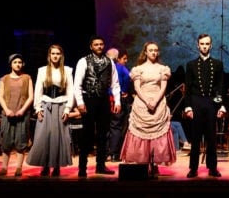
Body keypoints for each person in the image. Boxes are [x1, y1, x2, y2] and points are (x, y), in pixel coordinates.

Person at [120, 42, 177, 176]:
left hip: (158, 102)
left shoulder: (163, 69)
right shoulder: (138, 69)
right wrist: (146, 101)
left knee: (158, 134)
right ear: (145, 52)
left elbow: (163, 87)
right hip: (142, 103)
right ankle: (144, 164)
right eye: (151, 50)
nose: (153, 52)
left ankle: (155, 164)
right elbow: (137, 87)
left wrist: (155, 101)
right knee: (141, 133)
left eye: (156, 50)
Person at [72, 36, 120, 178]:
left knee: (103, 134)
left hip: (104, 99)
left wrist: (117, 101)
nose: (99, 46)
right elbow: (77, 84)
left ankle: (100, 165)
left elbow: (115, 83)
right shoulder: (83, 61)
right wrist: (80, 102)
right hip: (89, 99)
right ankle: (82, 167)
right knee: (86, 134)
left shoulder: (109, 61)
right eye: (96, 44)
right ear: (91, 46)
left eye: (101, 44)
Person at [179, 34, 226, 178]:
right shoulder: (191, 65)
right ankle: (193, 168)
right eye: (202, 43)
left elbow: (220, 87)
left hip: (212, 103)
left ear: (211, 45)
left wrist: (221, 105)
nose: (204, 46)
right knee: (196, 138)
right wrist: (188, 107)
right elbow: (188, 88)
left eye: (207, 44)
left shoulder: (217, 64)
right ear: (197, 45)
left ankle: (212, 168)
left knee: (211, 138)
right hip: (196, 102)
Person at [29, 45, 77, 177]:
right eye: (53, 53)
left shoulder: (67, 71)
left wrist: (67, 109)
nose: (55, 56)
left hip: (61, 106)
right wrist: (38, 108)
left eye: (58, 54)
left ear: (61, 55)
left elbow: (70, 91)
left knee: (58, 137)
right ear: (49, 55)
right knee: (44, 136)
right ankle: (44, 165)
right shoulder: (42, 70)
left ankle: (56, 166)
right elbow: (38, 89)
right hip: (46, 105)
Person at [0, 54, 34, 177]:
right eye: (15, 62)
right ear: (10, 64)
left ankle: (18, 168)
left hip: (22, 115)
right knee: (5, 142)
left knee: (21, 141)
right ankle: (4, 168)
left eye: (20, 62)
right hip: (7, 115)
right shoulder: (4, 79)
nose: (18, 64)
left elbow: (31, 96)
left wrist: (22, 110)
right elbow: (0, 96)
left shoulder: (27, 78)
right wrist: (6, 110)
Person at [106, 48, 132, 162]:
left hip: (106, 99)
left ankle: (107, 152)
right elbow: (128, 79)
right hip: (117, 99)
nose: (125, 61)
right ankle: (114, 153)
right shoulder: (121, 68)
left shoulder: (105, 67)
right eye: (124, 58)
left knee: (108, 127)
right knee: (117, 126)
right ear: (117, 58)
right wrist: (124, 91)